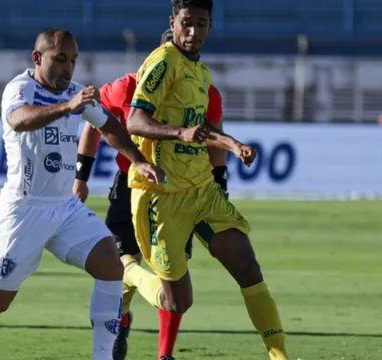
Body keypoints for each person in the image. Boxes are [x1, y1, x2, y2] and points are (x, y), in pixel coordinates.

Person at [0, 28, 165, 360]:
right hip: (23, 210)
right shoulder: (21, 88)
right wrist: (67, 107)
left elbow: (111, 125)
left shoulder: (75, 93)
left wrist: (138, 161)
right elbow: (19, 120)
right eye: (60, 59)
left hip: (65, 208)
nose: (68, 68)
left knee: (111, 267)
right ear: (37, 58)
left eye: (73, 60)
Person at [124, 1, 289, 359]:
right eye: (187, 23)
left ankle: (280, 357)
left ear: (210, 25)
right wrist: (180, 133)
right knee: (177, 301)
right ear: (173, 22)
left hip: (201, 188)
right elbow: (135, 121)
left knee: (247, 265)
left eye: (201, 24)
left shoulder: (200, 73)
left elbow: (203, 126)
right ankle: (129, 271)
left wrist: (233, 145)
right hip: (162, 194)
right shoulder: (162, 61)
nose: (193, 32)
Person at [73, 28, 227, 360]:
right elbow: (93, 123)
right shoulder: (127, 86)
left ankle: (165, 354)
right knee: (120, 264)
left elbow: (217, 140)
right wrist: (81, 176)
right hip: (131, 184)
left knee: (173, 269)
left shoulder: (204, 92)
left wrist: (219, 188)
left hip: (180, 190)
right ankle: (120, 324)